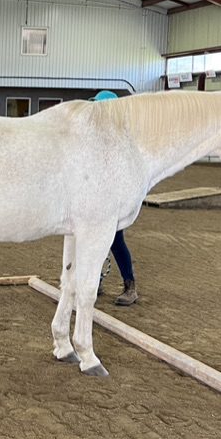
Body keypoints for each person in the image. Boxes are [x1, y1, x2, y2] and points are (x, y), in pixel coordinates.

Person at [91, 90, 139, 307]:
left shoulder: (122, 139)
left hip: (113, 200)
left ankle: (130, 286)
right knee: (90, 241)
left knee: (116, 241)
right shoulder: (96, 135)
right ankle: (94, 281)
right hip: (93, 197)